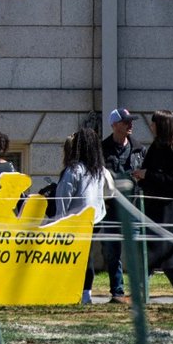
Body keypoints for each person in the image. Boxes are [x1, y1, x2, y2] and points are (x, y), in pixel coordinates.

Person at [138, 110, 173, 303]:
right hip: (155, 207)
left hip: (168, 210)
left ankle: (142, 290)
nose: (151, 126)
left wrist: (148, 176)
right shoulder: (156, 147)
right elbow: (149, 172)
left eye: (154, 123)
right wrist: (141, 176)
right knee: (157, 248)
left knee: (162, 248)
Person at [54, 127, 109, 304]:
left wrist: (58, 221)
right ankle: (86, 294)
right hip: (94, 220)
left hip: (73, 221)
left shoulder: (74, 169)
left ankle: (67, 290)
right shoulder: (99, 170)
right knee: (87, 257)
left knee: (70, 258)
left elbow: (63, 196)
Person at [99, 108, 142, 304]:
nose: (130, 125)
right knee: (111, 251)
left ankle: (137, 291)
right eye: (126, 122)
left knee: (134, 251)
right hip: (110, 209)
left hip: (132, 208)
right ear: (115, 125)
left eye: (131, 122)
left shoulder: (139, 149)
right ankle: (117, 292)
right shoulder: (102, 149)